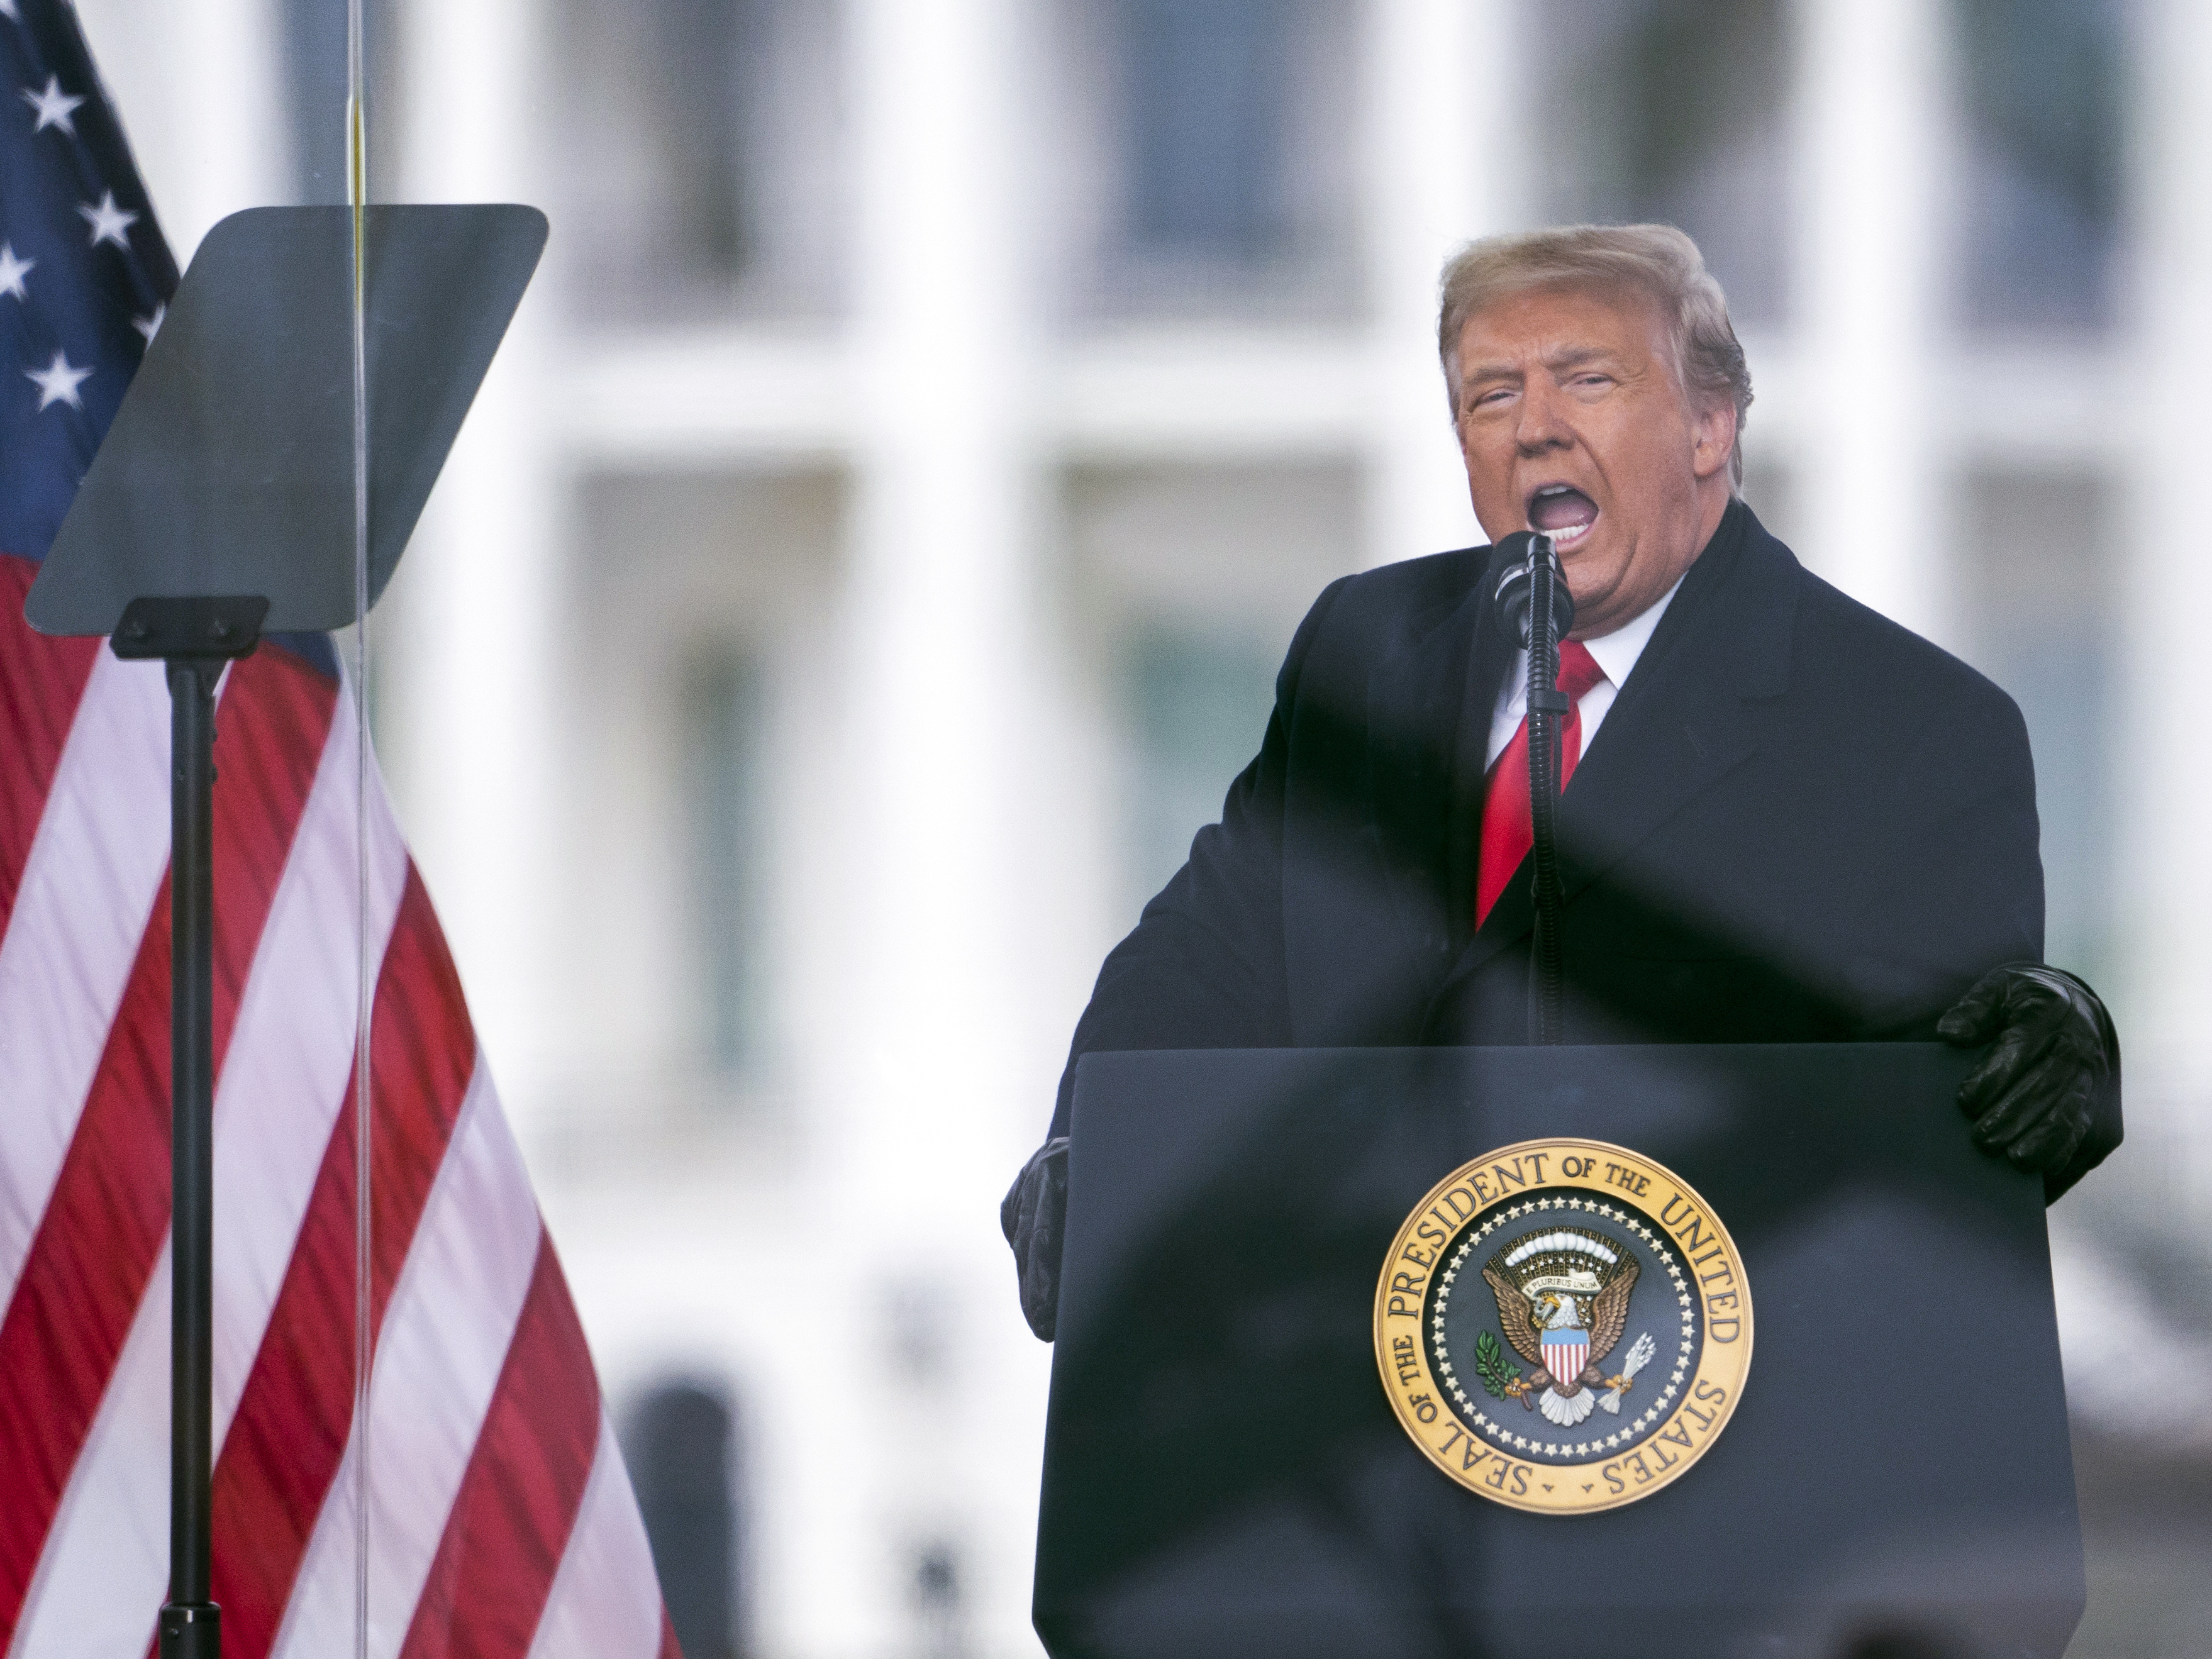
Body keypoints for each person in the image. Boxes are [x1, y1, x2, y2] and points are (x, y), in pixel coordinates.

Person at [1002, 224, 2121, 1341]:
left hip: (1706, 1411)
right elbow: (1210, 952)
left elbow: (1954, 1103)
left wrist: (2053, 1048)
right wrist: (1093, 1150)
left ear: (1707, 425)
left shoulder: (1909, 725)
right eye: (1491, 396)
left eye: (1587, 379)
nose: (1535, 425)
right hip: (1350, 1401)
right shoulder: (1368, 645)